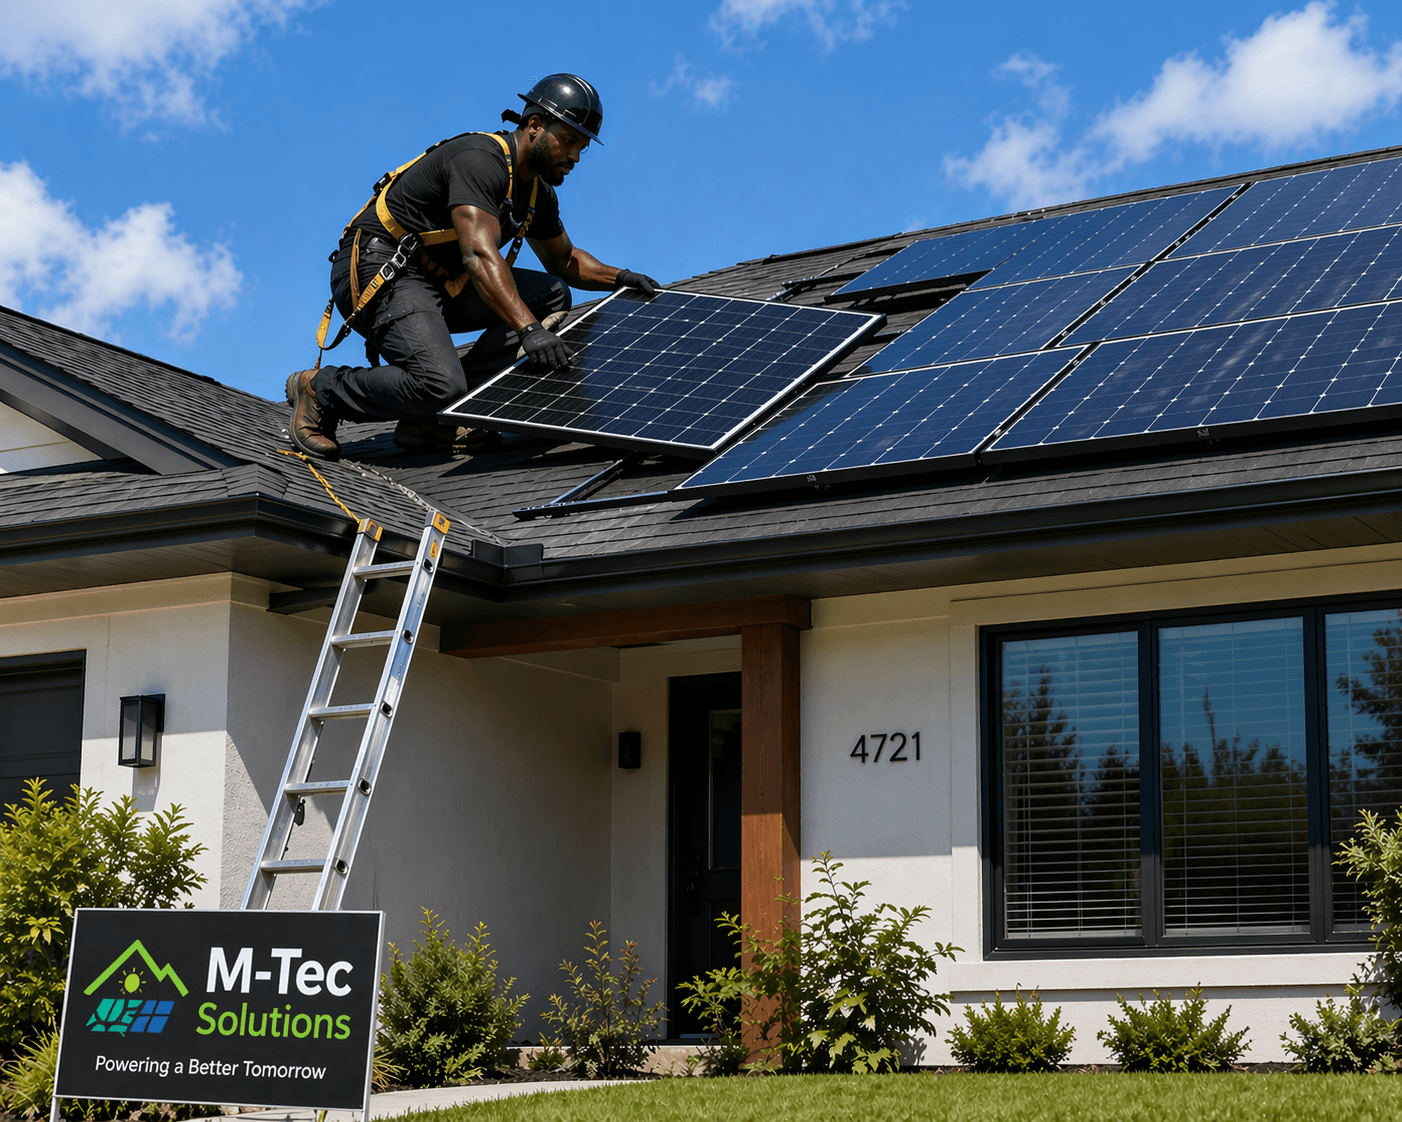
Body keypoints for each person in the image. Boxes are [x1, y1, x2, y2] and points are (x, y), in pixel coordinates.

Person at [287, 73, 660, 460]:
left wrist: (621, 278)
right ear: (534, 126)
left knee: (549, 293)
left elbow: (564, 260)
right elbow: (480, 255)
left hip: (439, 284)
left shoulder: (536, 193)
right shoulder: (480, 160)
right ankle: (322, 391)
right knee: (439, 382)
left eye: (582, 147)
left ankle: (439, 419)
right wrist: (529, 331)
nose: (575, 156)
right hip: (380, 267)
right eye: (568, 141)